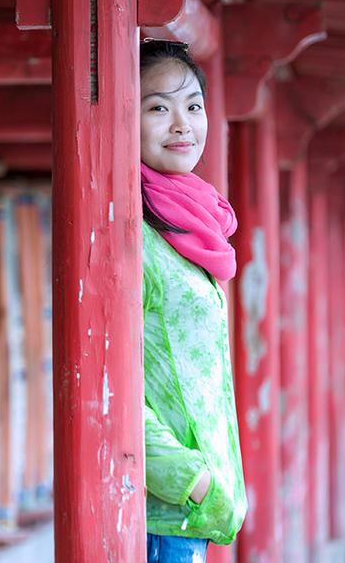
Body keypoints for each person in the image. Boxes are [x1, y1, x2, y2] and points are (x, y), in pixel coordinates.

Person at [139, 39, 248, 563]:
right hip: (161, 510)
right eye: (158, 107)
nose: (182, 124)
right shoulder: (131, 235)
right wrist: (192, 478)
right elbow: (99, 379)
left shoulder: (190, 221)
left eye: (193, 106)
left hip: (187, 514)